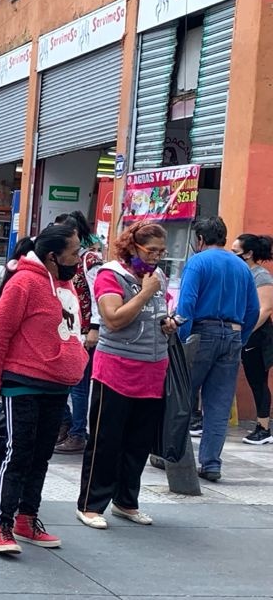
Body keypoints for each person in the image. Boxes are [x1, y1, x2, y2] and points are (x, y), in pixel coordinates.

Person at [0, 224, 87, 554]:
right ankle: (2, 525)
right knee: (19, 451)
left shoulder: (67, 286)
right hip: (22, 382)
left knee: (41, 454)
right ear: (54, 257)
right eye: (74, 252)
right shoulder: (24, 283)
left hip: (58, 385)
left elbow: (72, 332)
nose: (79, 257)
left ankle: (28, 518)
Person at [76, 221, 176, 530]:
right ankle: (91, 504)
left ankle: (126, 501)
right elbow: (113, 319)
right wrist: (145, 294)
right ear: (133, 247)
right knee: (107, 440)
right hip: (117, 370)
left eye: (162, 251)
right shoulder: (111, 275)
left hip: (152, 370)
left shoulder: (156, 276)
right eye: (151, 250)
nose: (157, 257)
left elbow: (155, 314)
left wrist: (167, 323)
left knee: (138, 442)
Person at [177, 216, 259, 482]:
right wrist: (241, 337)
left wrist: (181, 340)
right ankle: (211, 463)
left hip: (202, 332)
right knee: (219, 405)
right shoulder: (242, 266)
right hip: (232, 336)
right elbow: (253, 310)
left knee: (181, 397)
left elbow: (186, 305)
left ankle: (172, 454)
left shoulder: (197, 262)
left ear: (199, 239)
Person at [55, 211, 105, 454]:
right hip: (70, 329)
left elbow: (99, 296)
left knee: (79, 385)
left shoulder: (91, 261)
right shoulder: (66, 260)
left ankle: (77, 433)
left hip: (86, 332)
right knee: (62, 380)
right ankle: (67, 425)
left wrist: (94, 328)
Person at [231, 233, 273, 445]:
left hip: (258, 336)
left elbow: (264, 310)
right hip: (242, 333)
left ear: (248, 254)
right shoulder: (239, 273)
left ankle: (263, 427)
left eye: (235, 252)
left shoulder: (261, 276)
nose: (232, 255)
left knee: (258, 380)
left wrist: (244, 332)